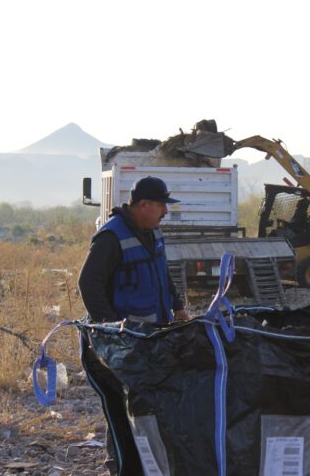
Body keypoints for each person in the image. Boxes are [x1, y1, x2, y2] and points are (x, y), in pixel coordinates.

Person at [78, 175, 189, 475]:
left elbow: (162, 271)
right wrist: (110, 331)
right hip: (122, 344)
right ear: (143, 205)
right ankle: (119, 467)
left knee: (144, 410)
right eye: (161, 206)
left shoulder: (153, 232)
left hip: (149, 340)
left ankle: (144, 466)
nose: (166, 212)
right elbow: (88, 285)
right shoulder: (110, 237)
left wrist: (177, 306)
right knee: (120, 411)